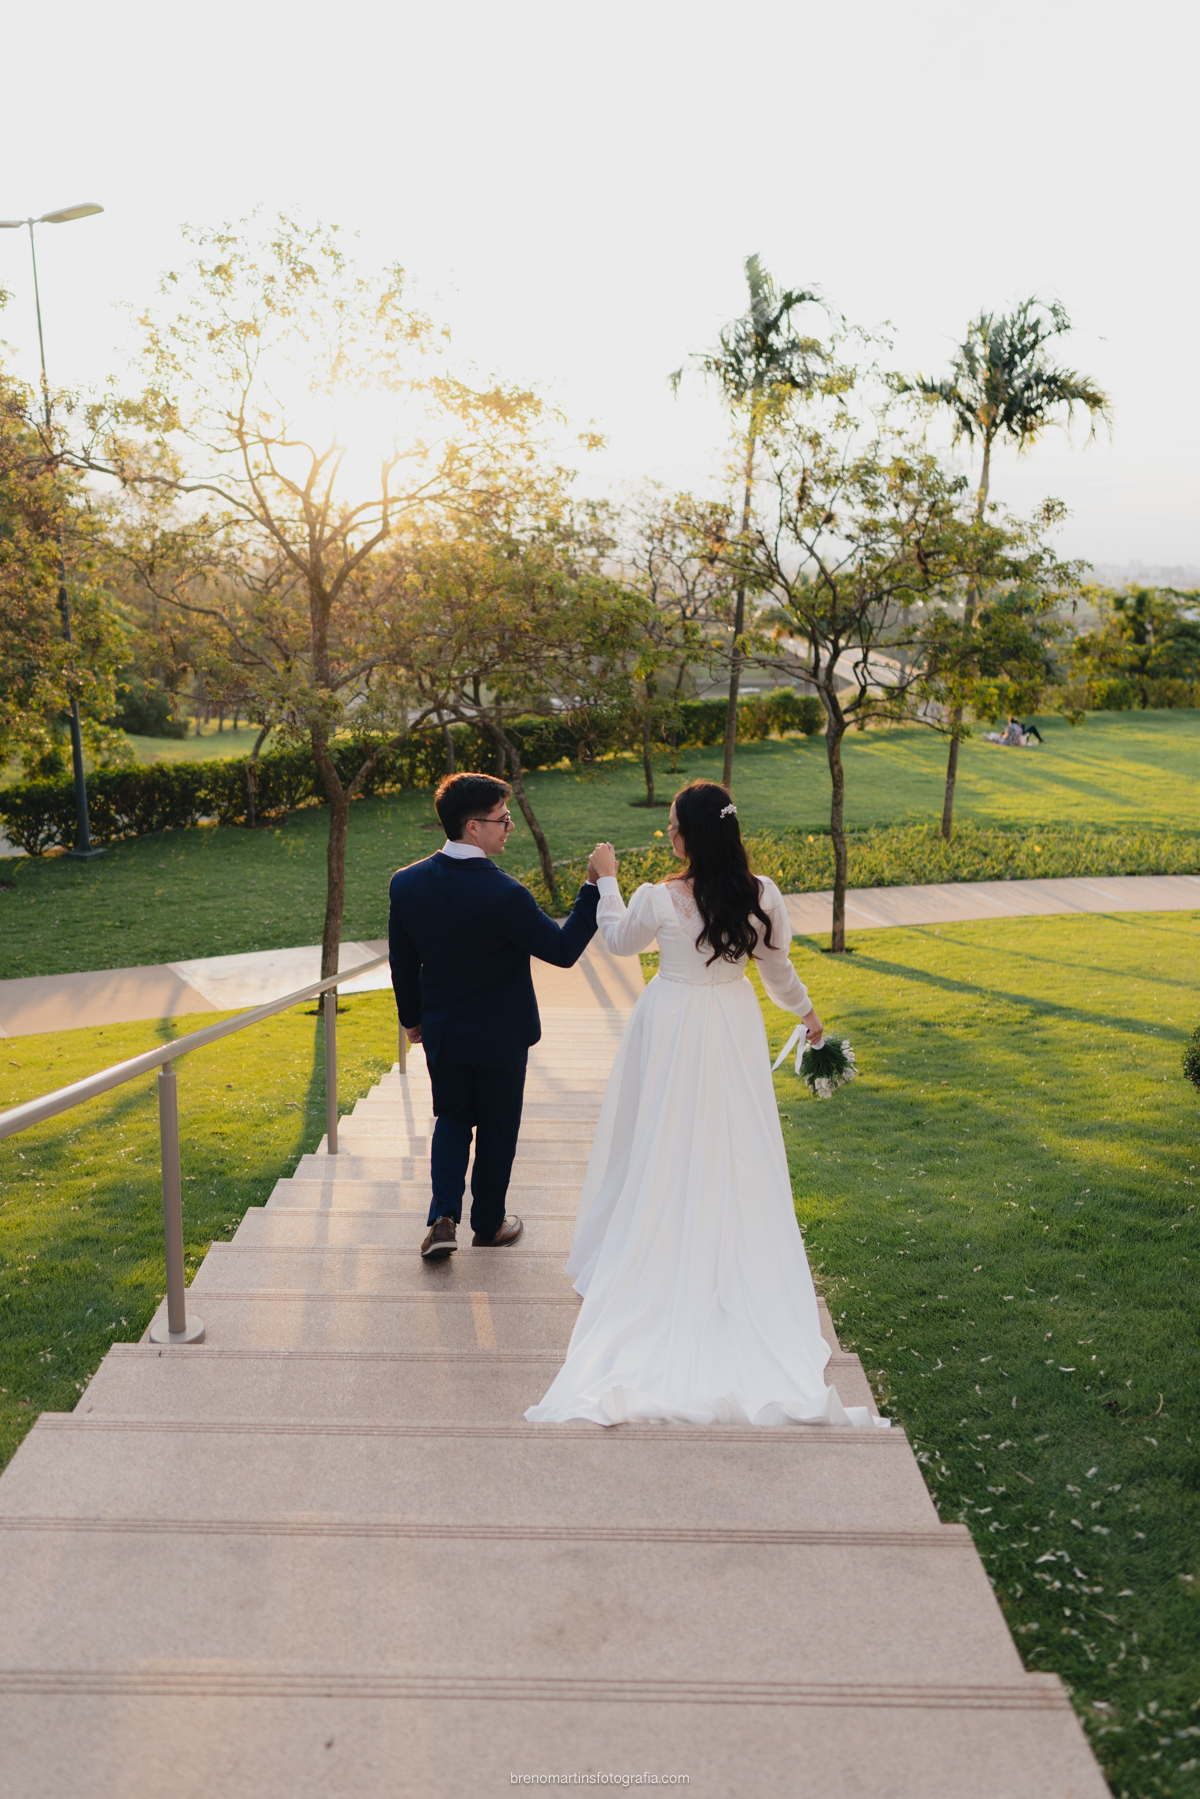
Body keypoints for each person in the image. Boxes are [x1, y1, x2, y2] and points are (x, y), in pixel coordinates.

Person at [526, 779, 884, 1429]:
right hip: (731, 1020)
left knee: (659, 1135)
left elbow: (617, 941)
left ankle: (657, 1243)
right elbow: (776, 971)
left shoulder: (656, 897)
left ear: (692, 834)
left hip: (670, 1021)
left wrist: (607, 879)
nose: (668, 832)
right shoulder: (762, 894)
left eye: (673, 824)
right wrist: (806, 1012)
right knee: (730, 1135)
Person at [389, 772, 601, 1261]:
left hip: (444, 1031)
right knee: (497, 1128)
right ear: (472, 827)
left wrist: (412, 1018)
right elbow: (563, 950)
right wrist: (592, 888)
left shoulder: (407, 882)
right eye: (502, 819)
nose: (510, 827)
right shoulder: (506, 893)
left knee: (451, 1118)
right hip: (502, 1037)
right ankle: (487, 1225)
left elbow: (402, 960)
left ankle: (443, 1218)